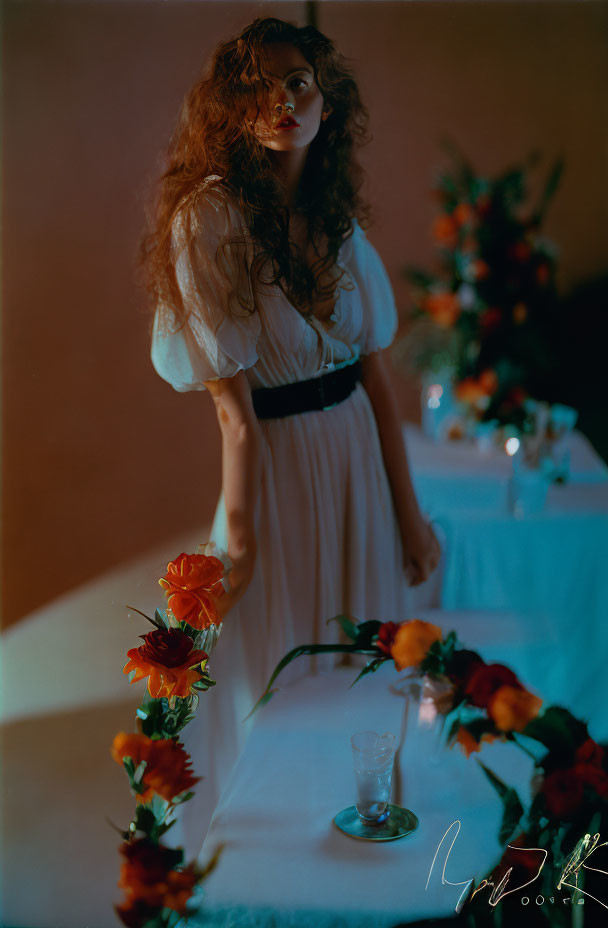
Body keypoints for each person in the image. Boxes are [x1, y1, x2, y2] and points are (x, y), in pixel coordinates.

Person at [140, 17, 441, 701]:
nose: (279, 101)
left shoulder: (334, 216)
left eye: (296, 84)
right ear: (231, 110)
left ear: (325, 103)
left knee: (364, 665)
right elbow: (234, 415)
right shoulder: (209, 221)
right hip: (279, 466)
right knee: (281, 669)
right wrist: (238, 551)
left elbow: (373, 374)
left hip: (357, 455)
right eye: (257, 88)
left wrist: (409, 514)